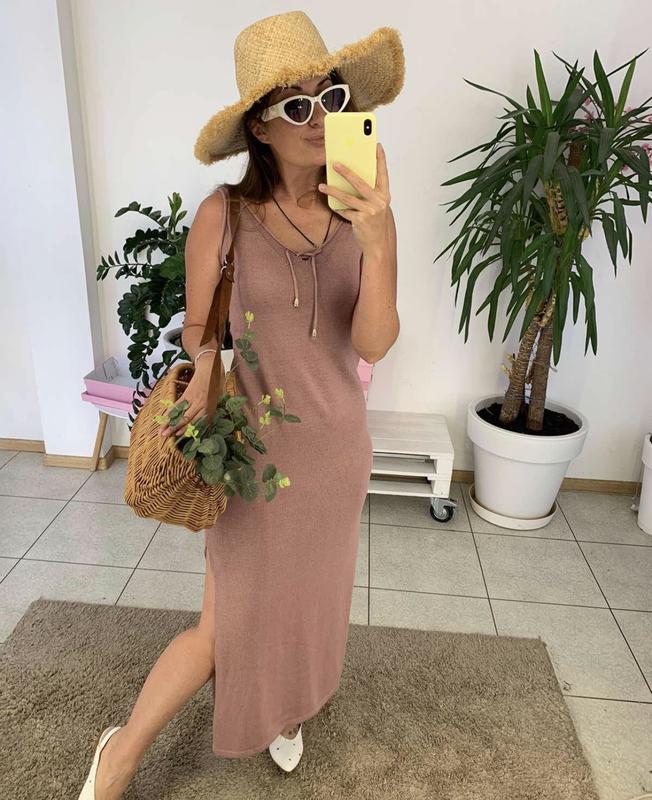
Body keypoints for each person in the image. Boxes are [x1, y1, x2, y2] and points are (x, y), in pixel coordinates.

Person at [78, 10, 404, 798]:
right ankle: (119, 753)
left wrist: (378, 241)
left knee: (308, 605)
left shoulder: (367, 215)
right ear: (259, 127)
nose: (319, 116)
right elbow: (200, 330)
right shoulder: (222, 216)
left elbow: (374, 342)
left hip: (334, 457)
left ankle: (285, 710)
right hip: (251, 459)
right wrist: (205, 368)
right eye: (296, 105)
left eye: (330, 97)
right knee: (223, 627)